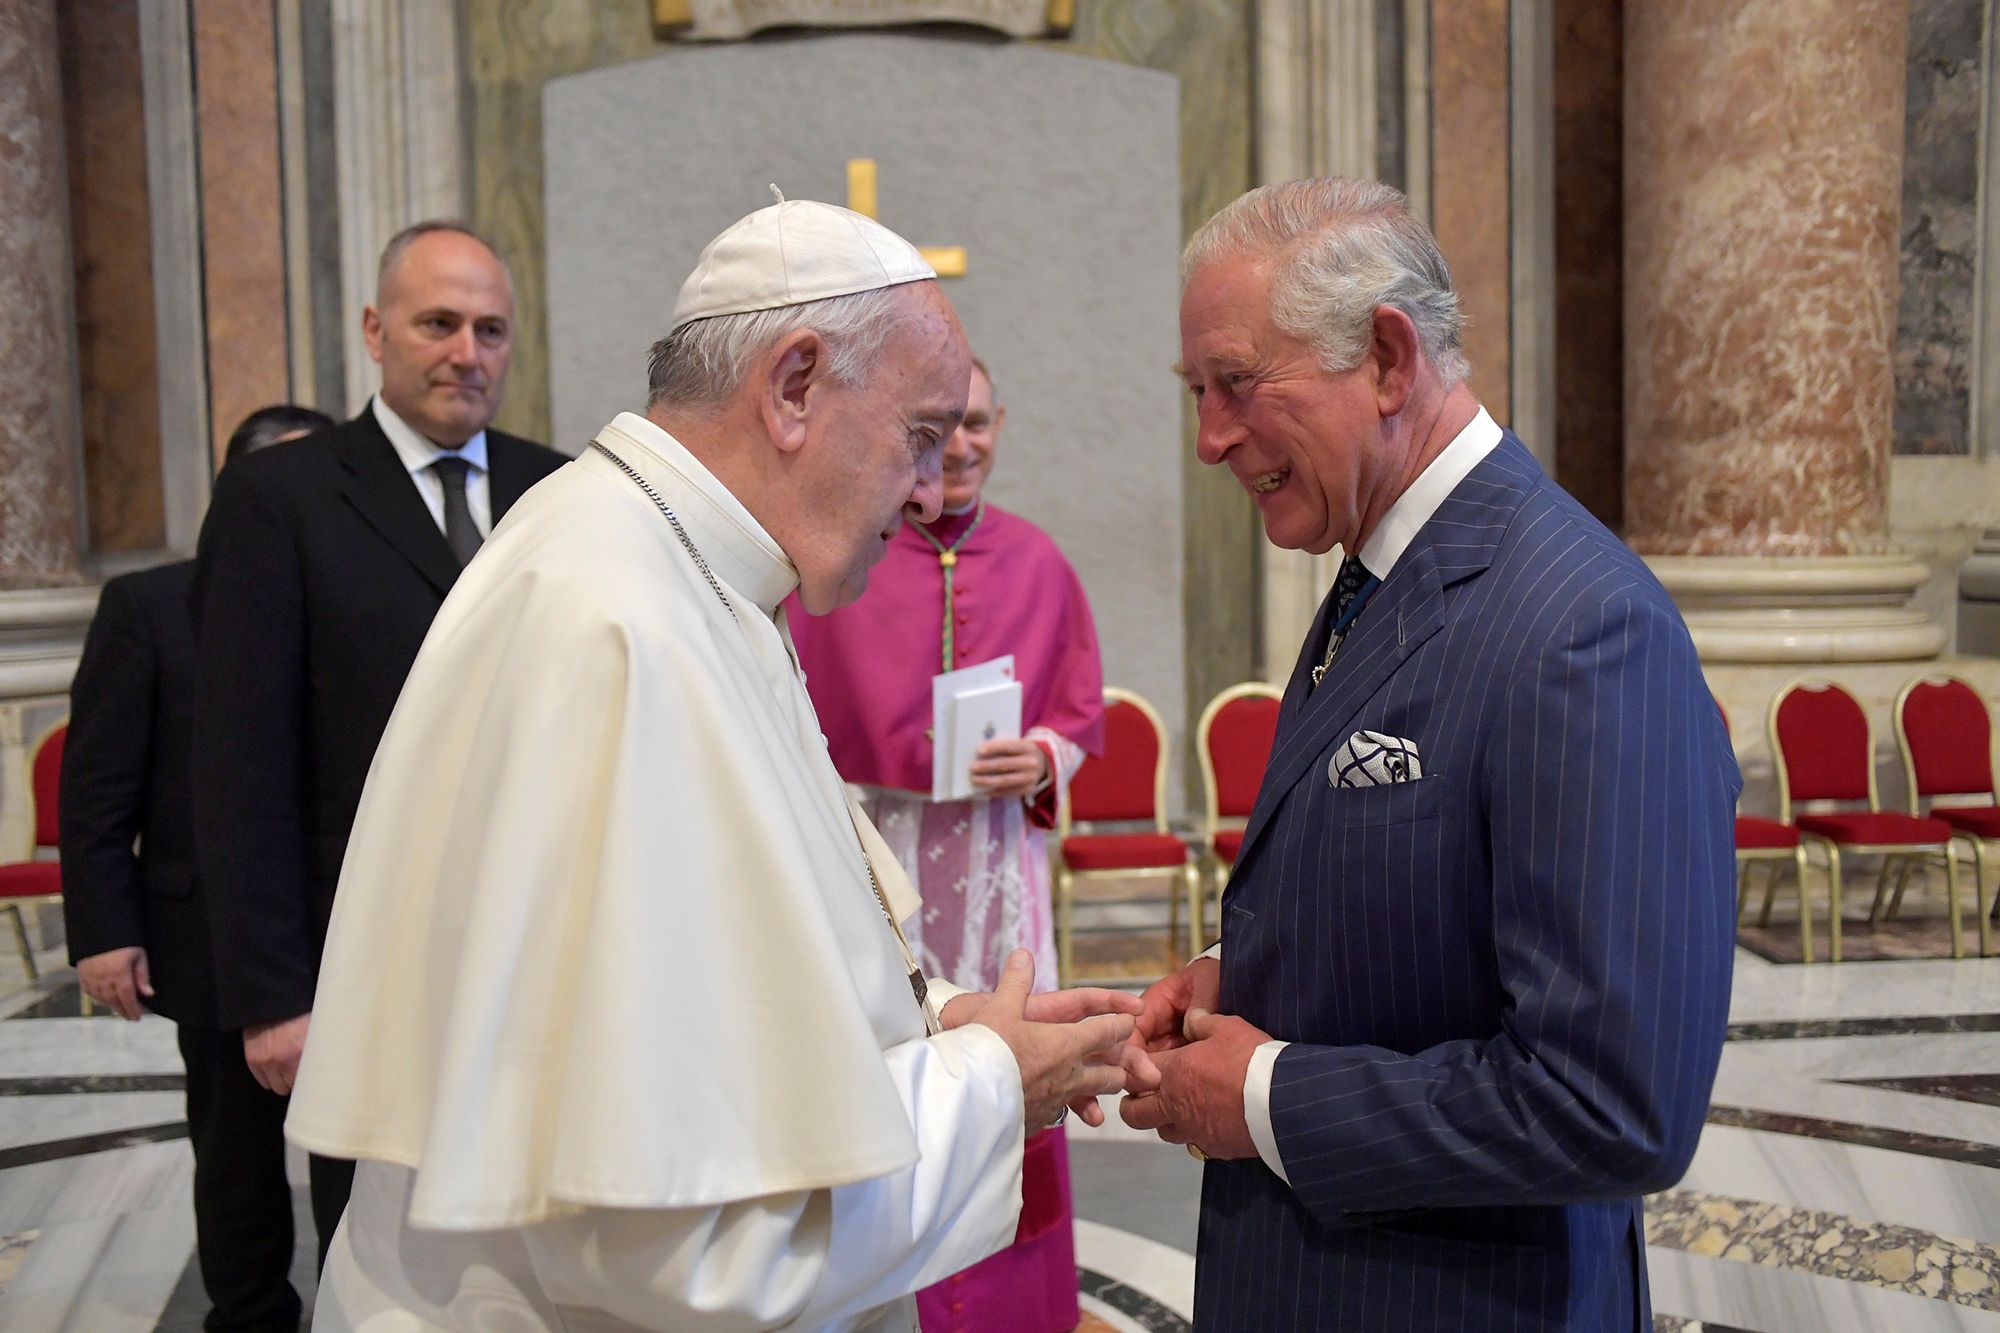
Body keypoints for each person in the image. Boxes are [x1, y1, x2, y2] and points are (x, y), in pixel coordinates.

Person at [284, 197, 1143, 1331]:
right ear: (793, 386)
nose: (931, 489)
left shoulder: (684, 567)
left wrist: (933, 1019)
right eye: (919, 435)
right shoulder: (621, 623)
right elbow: (691, 1243)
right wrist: (989, 1086)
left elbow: (751, 958)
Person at [1120, 178, 1739, 1330]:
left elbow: (1609, 1104)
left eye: (1237, 386)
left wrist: (1260, 1094)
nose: (1208, 438)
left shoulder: (1578, 625)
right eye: (1196, 393)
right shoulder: (1378, 570)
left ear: (1389, 360)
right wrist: (1242, 980)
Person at [190, 222, 567, 1264]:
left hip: (537, 943)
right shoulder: (281, 498)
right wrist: (273, 994)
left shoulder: (561, 490)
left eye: (491, 329)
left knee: (537, 1240)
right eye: (437, 323)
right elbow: (237, 763)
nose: (467, 352)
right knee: (388, 1256)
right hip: (367, 952)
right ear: (374, 329)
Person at [787, 356, 1104, 1333]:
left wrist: (1043, 757)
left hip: (995, 859)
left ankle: (1015, 1303)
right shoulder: (847, 556)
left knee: (1017, 1052)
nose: (962, 446)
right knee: (895, 1052)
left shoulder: (1040, 558)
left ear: (1000, 425)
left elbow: (1079, 712)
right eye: (944, 426)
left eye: (978, 424)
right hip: (881, 846)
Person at [62, 403, 334, 1332]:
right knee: (235, 1156)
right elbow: (97, 789)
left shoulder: (356, 603)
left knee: (359, 1155)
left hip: (343, 923)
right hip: (212, 932)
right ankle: (250, 1314)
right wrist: (104, 931)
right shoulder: (149, 606)